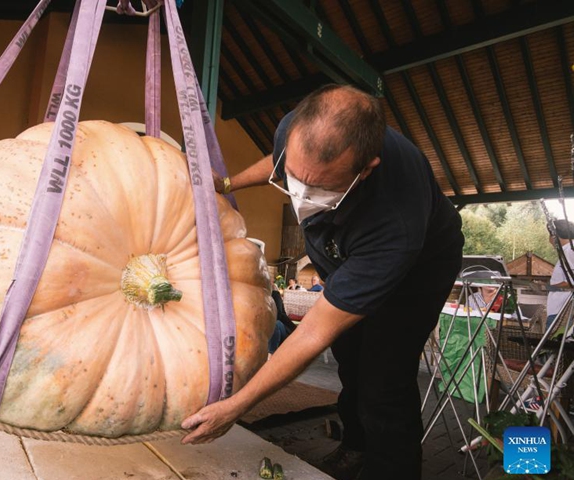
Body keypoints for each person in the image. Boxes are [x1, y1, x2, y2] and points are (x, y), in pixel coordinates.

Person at [187, 84, 464, 480]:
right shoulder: (296, 130)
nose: (301, 194)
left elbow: (314, 332)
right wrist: (228, 185)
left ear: (366, 169)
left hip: (415, 276)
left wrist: (237, 406)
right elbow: (279, 164)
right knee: (350, 358)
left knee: (384, 379)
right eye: (298, 179)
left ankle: (391, 469)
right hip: (347, 255)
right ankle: (355, 446)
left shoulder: (394, 223)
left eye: (320, 188)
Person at [546, 219, 574, 331]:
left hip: (562, 310)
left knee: (554, 345)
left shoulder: (570, 251)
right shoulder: (567, 251)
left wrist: (553, 286)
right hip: (559, 307)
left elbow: (572, 282)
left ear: (554, 236)